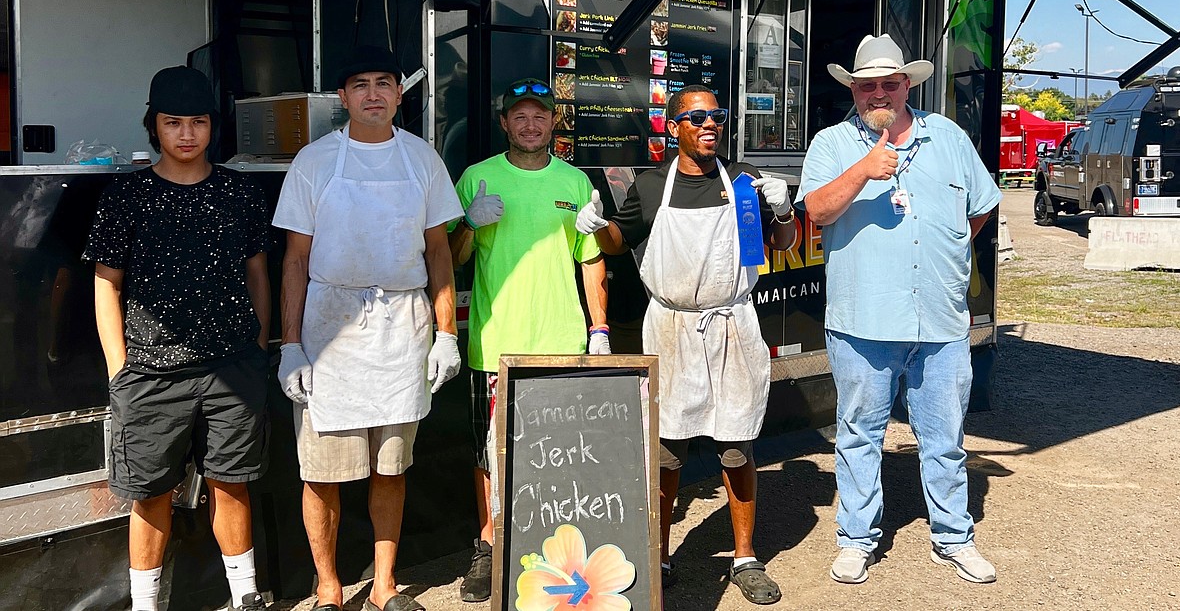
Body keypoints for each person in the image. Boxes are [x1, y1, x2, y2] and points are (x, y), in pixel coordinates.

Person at [575, 84, 796, 605]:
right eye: (696, 118)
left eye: (716, 116)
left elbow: (780, 245)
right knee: (668, 452)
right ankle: (660, 554)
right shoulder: (652, 186)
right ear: (673, 128)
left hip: (732, 326)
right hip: (671, 330)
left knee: (737, 445)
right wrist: (596, 225)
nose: (709, 125)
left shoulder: (744, 182)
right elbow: (617, 241)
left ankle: (745, 557)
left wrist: (784, 213)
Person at [798, 34, 1001, 585]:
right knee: (860, 433)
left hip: (939, 319)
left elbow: (978, 210)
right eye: (868, 86)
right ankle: (856, 539)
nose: (879, 94)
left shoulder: (950, 138)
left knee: (945, 436)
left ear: (908, 84)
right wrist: (864, 169)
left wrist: (948, 253)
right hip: (863, 319)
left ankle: (953, 537)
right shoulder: (832, 144)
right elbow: (816, 211)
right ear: (855, 90)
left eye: (890, 83)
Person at [272, 45, 463, 611]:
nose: (374, 94)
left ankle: (384, 585)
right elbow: (295, 261)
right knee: (322, 473)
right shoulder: (314, 161)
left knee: (391, 467)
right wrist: (290, 346)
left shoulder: (422, 158)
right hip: (330, 333)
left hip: (403, 328)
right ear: (343, 97)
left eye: (384, 83)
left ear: (399, 94)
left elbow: (438, 253)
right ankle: (328, 587)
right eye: (361, 85)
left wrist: (446, 333)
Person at [86, 66, 271, 611]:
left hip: (232, 369)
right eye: (173, 123)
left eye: (197, 122)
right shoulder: (127, 195)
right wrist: (119, 369)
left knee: (232, 485)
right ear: (154, 127)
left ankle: (245, 597)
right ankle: (146, 604)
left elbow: (257, 271)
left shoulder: (240, 191)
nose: (186, 134)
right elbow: (105, 284)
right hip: (148, 374)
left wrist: (258, 348)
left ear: (213, 126)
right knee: (149, 497)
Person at [448, 77, 609, 603]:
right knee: (487, 454)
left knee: (561, 453)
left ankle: (553, 549)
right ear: (504, 123)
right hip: (496, 343)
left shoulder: (577, 182)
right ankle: (489, 545)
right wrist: (469, 224)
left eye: (540, 115)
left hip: (563, 344)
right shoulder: (477, 177)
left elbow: (592, 261)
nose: (530, 123)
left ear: (553, 121)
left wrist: (600, 330)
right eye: (520, 115)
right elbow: (452, 259)